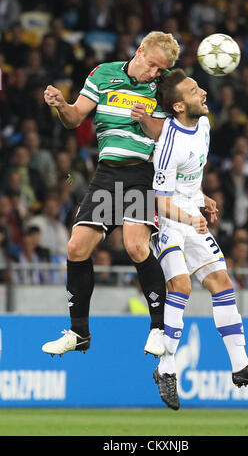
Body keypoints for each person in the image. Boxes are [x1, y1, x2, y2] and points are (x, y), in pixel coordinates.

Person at [41, 31, 180, 359]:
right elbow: (75, 118)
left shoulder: (161, 90)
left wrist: (147, 122)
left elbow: (169, 135)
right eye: (154, 66)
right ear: (140, 50)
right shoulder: (103, 74)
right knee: (76, 247)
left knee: (134, 245)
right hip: (107, 175)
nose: (155, 74)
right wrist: (62, 105)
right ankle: (79, 333)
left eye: (162, 70)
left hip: (142, 173)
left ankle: (159, 329)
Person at [151, 68, 248, 410]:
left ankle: (240, 366)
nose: (204, 92)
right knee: (181, 285)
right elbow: (160, 200)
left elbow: (188, 179)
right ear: (178, 106)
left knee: (223, 283)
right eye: (194, 90)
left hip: (192, 213)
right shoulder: (168, 143)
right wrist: (189, 215)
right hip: (168, 221)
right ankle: (166, 368)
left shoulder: (204, 126)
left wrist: (202, 197)